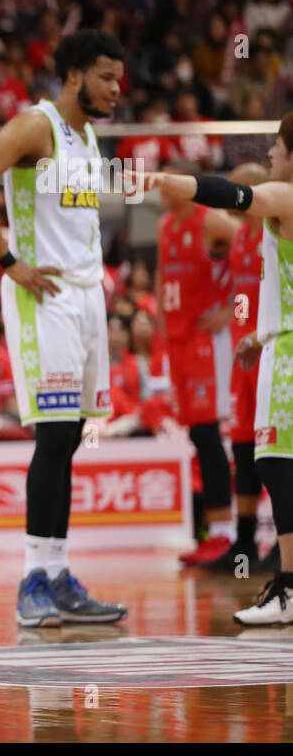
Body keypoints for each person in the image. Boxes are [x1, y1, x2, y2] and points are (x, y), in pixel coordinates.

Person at [0, 29, 128, 628]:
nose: (117, 88)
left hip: (84, 296)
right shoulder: (38, 124)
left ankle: (58, 574)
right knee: (53, 438)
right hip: (41, 295)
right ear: (76, 73)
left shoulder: (88, 135)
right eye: (107, 76)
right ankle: (32, 578)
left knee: (71, 438)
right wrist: (8, 260)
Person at [125, 113, 293, 623]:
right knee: (273, 463)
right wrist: (259, 334)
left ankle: (286, 588)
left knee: (277, 464)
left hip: (286, 352)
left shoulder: (284, 197)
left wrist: (184, 183)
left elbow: (241, 197)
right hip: (273, 342)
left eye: (278, 149)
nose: (270, 157)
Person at [157, 166, 240, 566]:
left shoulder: (214, 221)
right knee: (198, 434)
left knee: (212, 435)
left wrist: (231, 309)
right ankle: (215, 532)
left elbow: (261, 250)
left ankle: (227, 533)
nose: (159, 186)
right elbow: (162, 283)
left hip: (208, 340)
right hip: (178, 341)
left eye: (166, 181)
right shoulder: (165, 226)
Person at [214, 163, 279, 574]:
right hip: (244, 355)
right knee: (243, 445)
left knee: (276, 445)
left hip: (271, 349)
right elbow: (242, 293)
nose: (231, 192)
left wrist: (259, 332)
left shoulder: (277, 229)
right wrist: (236, 320)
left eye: (238, 186)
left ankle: (281, 539)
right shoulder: (240, 235)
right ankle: (244, 543)